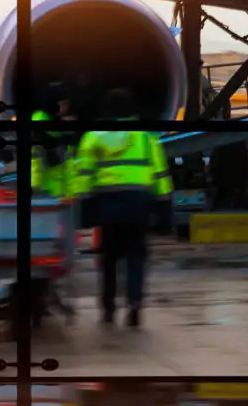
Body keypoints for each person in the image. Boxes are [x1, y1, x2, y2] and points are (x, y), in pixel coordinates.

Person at [71, 88, 173, 327]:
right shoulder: (146, 138)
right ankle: (135, 305)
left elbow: (83, 175)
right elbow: (160, 175)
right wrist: (165, 208)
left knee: (108, 258)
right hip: (137, 205)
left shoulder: (93, 137)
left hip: (107, 206)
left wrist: (82, 206)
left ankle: (108, 307)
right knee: (137, 256)